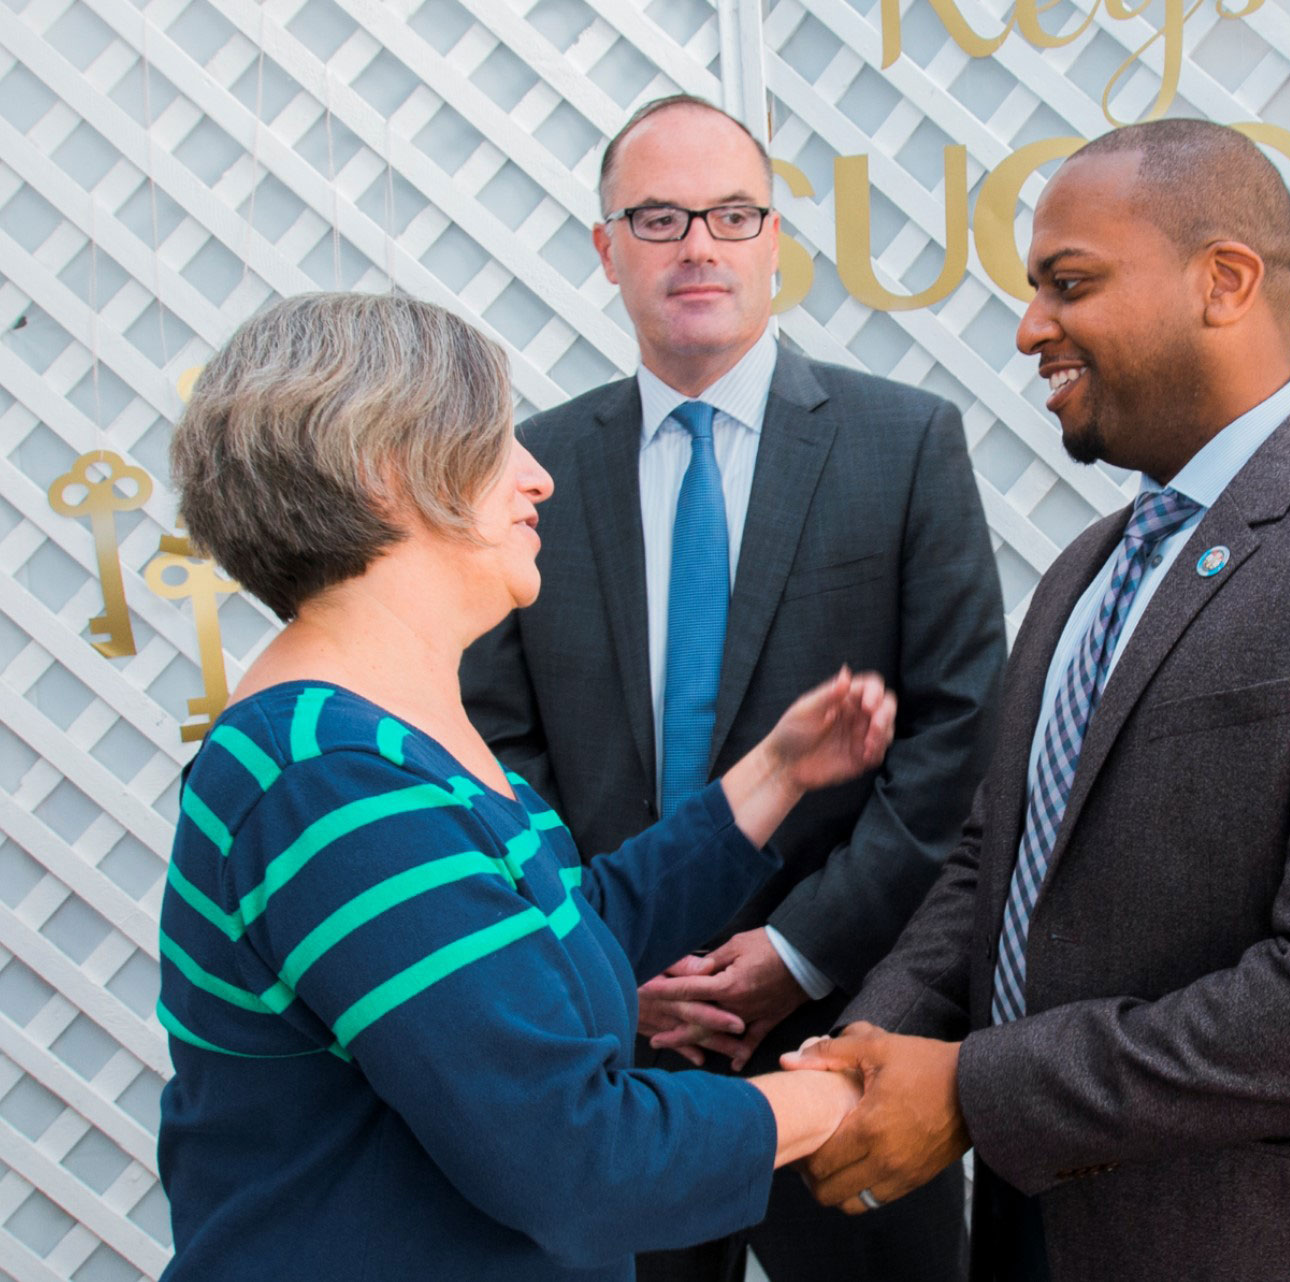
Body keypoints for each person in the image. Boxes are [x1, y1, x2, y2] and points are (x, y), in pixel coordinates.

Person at [784, 118, 1290, 1281]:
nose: (1032, 325)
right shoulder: (1084, 570)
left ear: (1224, 281)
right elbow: (992, 863)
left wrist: (974, 1092)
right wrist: (871, 1051)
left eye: (1069, 283)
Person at [155, 291, 894, 1282]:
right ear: (389, 476)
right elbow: (575, 1157)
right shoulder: (330, 782)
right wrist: (845, 1095)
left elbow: (556, 927)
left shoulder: (383, 733)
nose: (536, 477)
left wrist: (776, 772)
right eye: (496, 442)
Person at [461, 95, 1005, 1282]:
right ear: (605, 249)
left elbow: (958, 742)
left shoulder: (903, 442)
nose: (695, 244)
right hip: (610, 1047)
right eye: (655, 218)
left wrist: (796, 951)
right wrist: (612, 962)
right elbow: (499, 753)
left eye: (728, 213)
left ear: (773, 239)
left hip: (852, 1034)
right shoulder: (528, 472)